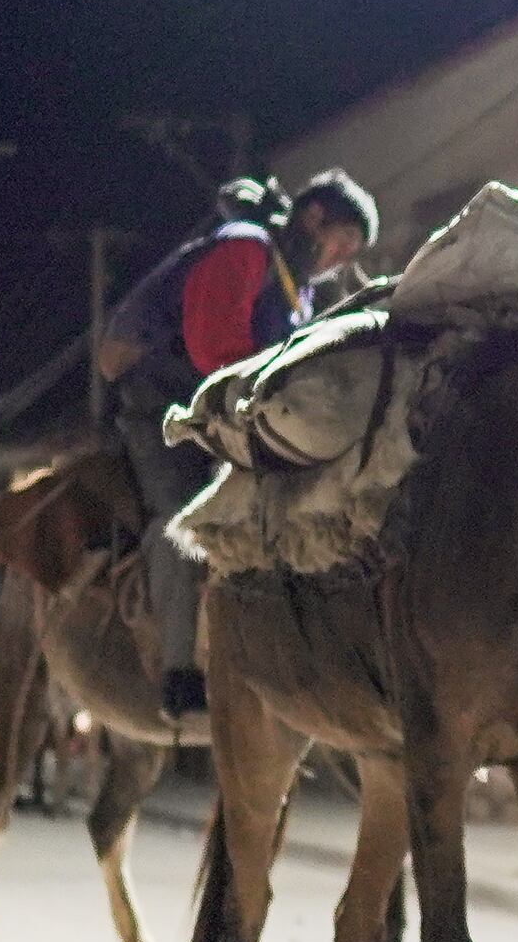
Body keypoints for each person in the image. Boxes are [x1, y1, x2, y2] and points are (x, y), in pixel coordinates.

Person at [92, 170, 375, 719]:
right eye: (341, 242)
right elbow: (214, 347)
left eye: (349, 254)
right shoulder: (245, 250)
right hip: (166, 407)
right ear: (313, 217)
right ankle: (179, 672)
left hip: (230, 412)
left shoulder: (302, 293)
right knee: (183, 519)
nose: (339, 259)